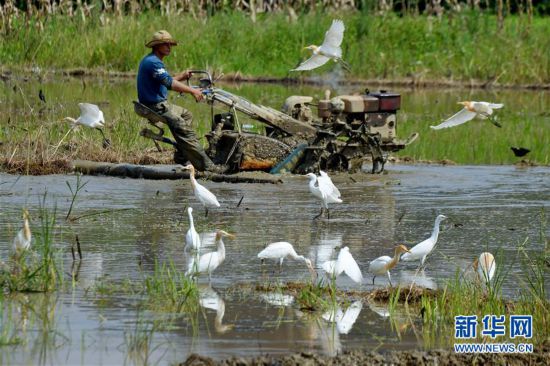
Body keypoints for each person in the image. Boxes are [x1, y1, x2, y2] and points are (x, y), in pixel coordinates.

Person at [137, 30, 223, 172]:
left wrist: (181, 76)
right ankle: (209, 167)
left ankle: (182, 156)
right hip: (156, 106)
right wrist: (194, 91)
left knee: (186, 115)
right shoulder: (153, 63)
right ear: (157, 46)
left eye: (170, 44)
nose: (169, 47)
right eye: (165, 44)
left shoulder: (152, 61)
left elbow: (164, 82)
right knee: (187, 133)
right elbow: (169, 84)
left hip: (157, 104)